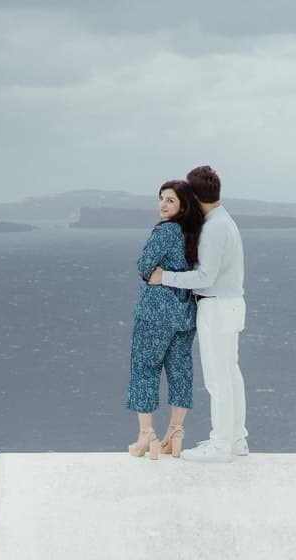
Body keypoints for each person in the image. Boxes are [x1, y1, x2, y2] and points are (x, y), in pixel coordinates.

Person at [148, 165, 246, 461]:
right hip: (230, 305)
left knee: (218, 380)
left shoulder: (214, 228)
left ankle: (220, 445)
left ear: (194, 196)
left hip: (216, 306)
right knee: (230, 375)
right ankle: (236, 440)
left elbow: (205, 277)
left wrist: (164, 276)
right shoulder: (224, 221)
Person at [125, 179, 202, 459]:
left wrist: (156, 275)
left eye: (170, 200)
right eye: (161, 199)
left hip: (155, 311)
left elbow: (144, 267)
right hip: (184, 311)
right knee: (181, 369)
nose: (163, 204)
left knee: (145, 369)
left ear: (183, 204)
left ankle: (147, 436)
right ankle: (176, 433)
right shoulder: (193, 232)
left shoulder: (166, 231)